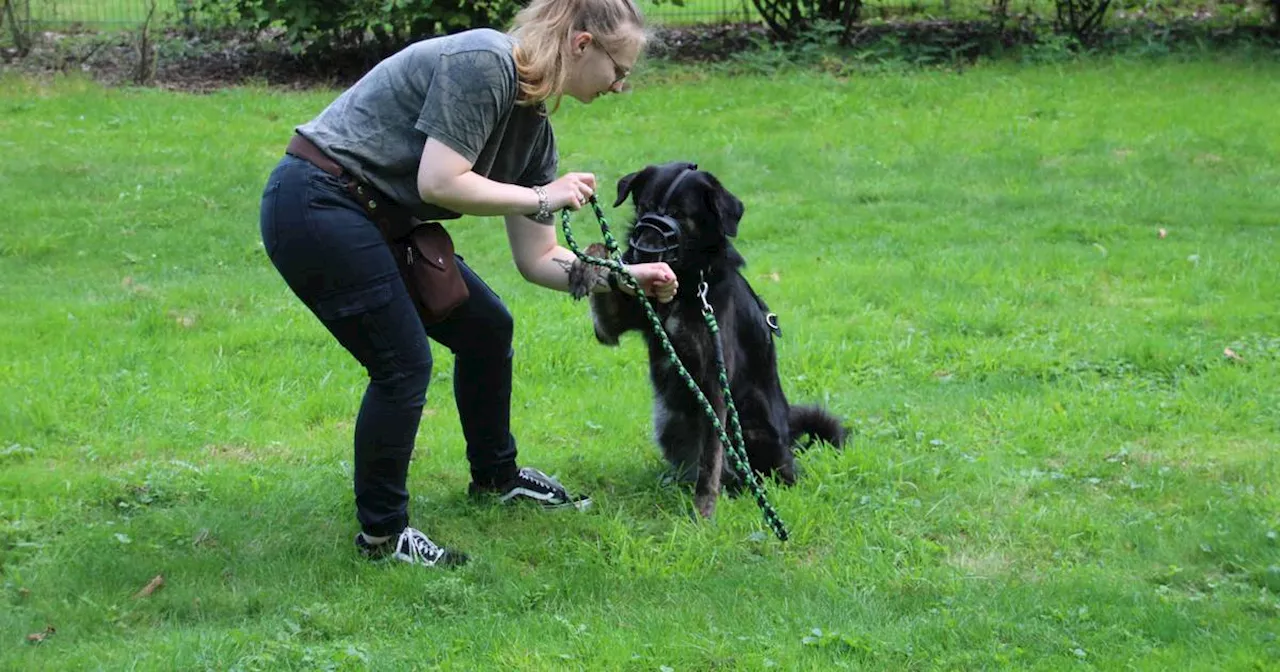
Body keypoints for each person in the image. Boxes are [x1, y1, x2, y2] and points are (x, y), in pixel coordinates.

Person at [258, 0, 678, 568]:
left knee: (486, 326)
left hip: (376, 218)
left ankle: (496, 478)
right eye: (619, 70)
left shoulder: (534, 131)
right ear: (582, 46)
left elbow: (540, 258)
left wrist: (623, 280)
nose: (620, 85)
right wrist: (540, 196)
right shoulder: (485, 61)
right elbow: (439, 181)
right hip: (317, 200)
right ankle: (383, 538)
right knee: (403, 364)